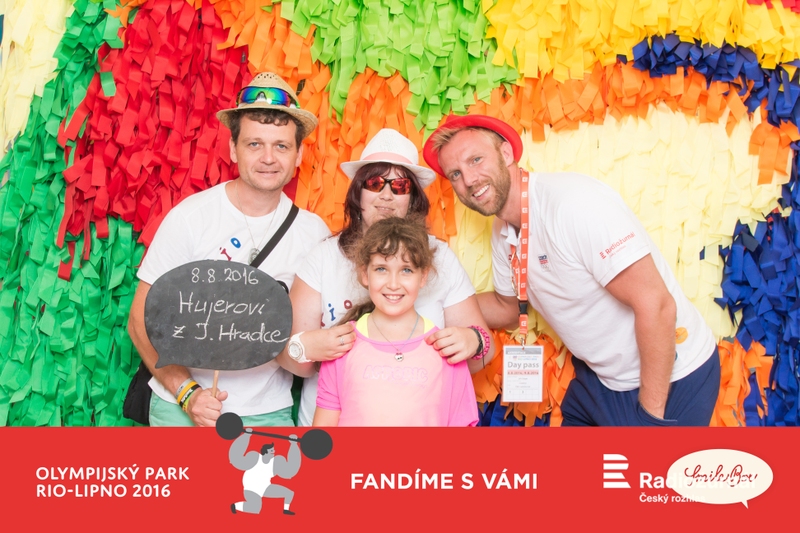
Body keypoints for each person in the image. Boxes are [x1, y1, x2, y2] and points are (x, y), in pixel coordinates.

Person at [423, 115, 720, 426]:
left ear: (506, 153)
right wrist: (425, 303)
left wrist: (650, 417)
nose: (469, 180)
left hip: (671, 378)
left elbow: (656, 304)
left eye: (476, 159)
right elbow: (506, 308)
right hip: (601, 381)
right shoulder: (503, 230)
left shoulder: (573, 204)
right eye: (455, 174)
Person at [127, 72, 331, 427]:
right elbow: (139, 320)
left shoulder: (314, 234)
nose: (268, 158)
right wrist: (187, 393)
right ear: (233, 149)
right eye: (254, 144)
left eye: (281, 146)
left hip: (267, 414)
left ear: (299, 155)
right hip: (178, 409)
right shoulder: (191, 217)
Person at [281, 128, 494, 426]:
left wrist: (474, 340)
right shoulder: (324, 257)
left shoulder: (440, 258)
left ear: (413, 198)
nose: (386, 194)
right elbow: (288, 357)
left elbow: (479, 354)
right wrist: (305, 347)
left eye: (400, 186)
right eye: (374, 183)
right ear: (358, 192)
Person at [313, 217, 480, 426]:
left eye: (406, 270)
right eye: (381, 269)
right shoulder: (342, 345)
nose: (393, 284)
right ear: (365, 273)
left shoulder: (446, 348)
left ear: (423, 276)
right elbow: (322, 434)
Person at [228, 430, 301, 515]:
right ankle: (235, 506)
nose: (274, 452)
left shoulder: (275, 463)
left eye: (274, 450)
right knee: (255, 509)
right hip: (251, 488)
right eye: (271, 450)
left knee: (289, 493)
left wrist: (293, 444)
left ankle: (286, 510)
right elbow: (236, 458)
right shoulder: (255, 458)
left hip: (265, 487)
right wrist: (246, 436)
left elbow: (290, 470)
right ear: (265, 452)